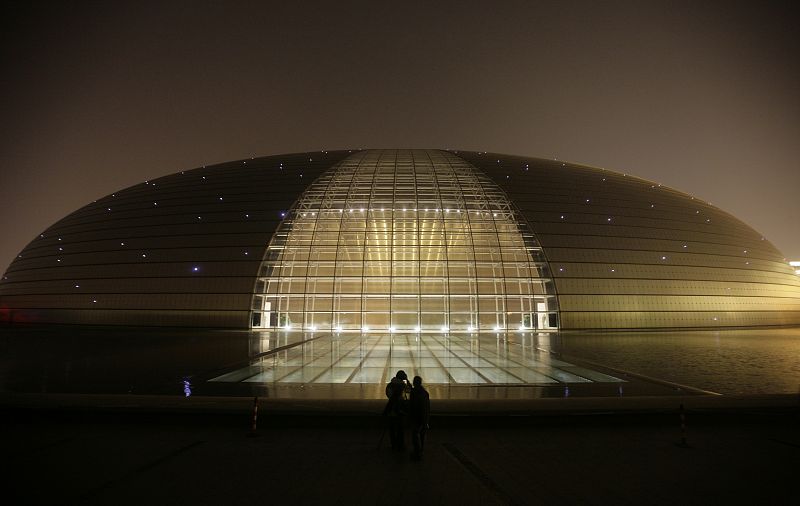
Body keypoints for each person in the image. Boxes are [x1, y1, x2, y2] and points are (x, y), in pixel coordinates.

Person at [383, 370, 409, 450]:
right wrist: (407, 380)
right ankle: (400, 445)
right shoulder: (402, 385)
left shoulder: (390, 385)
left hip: (391, 411)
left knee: (392, 430)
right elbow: (409, 391)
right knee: (400, 430)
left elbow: (388, 395)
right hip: (400, 411)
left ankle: (393, 445)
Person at [409, 375, 430, 460]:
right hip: (424, 416)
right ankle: (420, 451)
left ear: (415, 383)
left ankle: (417, 452)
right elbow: (427, 406)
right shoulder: (424, 393)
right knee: (421, 435)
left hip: (417, 416)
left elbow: (412, 405)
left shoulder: (414, 392)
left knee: (415, 434)